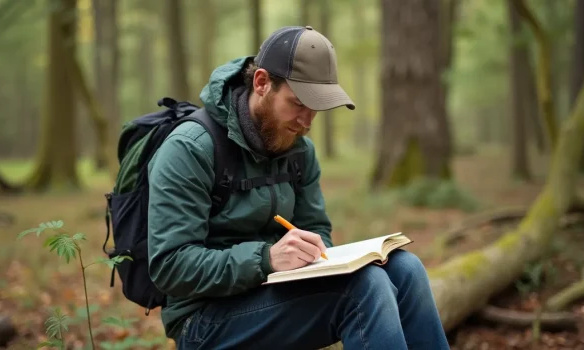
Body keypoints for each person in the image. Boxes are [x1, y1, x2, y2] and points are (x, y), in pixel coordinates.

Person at [146, 26, 450, 349]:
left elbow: (317, 229)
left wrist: (323, 257)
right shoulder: (190, 148)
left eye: (316, 107)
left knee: (406, 269)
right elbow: (170, 265)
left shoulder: (299, 152)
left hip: (273, 296)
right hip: (204, 321)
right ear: (262, 83)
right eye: (298, 103)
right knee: (365, 288)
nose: (306, 121)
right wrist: (265, 259)